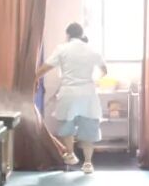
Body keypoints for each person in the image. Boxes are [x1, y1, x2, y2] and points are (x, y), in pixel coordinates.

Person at [34, 23, 107, 175]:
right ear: (82, 35)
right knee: (88, 128)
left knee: (67, 125)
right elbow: (104, 70)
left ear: (68, 35)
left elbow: (45, 68)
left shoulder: (62, 49)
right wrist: (94, 81)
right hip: (88, 93)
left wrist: (33, 79)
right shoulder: (92, 49)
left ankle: (71, 154)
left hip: (69, 92)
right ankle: (88, 163)